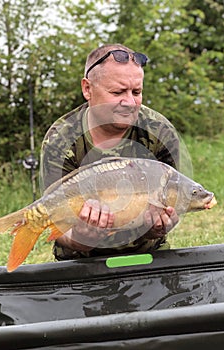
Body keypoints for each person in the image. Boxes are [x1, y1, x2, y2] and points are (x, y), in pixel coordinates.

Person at [41, 43, 180, 261]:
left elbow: (174, 201)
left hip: (147, 256)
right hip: (81, 261)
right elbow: (55, 222)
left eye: (137, 92)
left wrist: (162, 225)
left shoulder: (159, 131)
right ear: (87, 89)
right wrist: (80, 238)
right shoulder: (61, 138)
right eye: (117, 92)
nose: (130, 102)